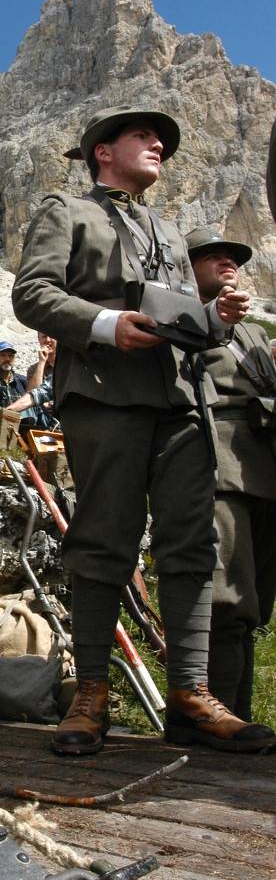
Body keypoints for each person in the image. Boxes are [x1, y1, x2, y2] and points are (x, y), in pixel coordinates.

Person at [13, 104, 273, 755]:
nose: (158, 143)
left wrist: (216, 320)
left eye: (161, 138)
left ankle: (191, 694)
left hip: (181, 402)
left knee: (192, 546)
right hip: (105, 394)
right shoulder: (66, 212)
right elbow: (32, 294)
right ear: (102, 151)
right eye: (142, 135)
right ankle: (91, 694)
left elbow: (180, 323)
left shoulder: (168, 232)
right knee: (104, 542)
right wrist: (106, 325)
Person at [186, 227, 276, 721]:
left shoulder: (255, 331)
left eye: (233, 257)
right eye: (214, 256)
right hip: (221, 465)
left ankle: (240, 718)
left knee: (256, 602)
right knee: (226, 601)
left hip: (264, 468)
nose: (229, 263)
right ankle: (216, 721)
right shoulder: (181, 317)